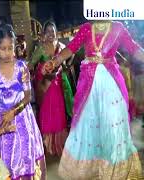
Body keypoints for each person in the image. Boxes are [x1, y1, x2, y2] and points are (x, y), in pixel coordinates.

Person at [43, 20, 144, 179]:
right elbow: (71, 47)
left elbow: (133, 48)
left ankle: (114, 171)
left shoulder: (117, 28)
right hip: (88, 88)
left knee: (113, 127)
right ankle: (93, 168)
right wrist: (55, 61)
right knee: (89, 126)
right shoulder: (86, 28)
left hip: (112, 86)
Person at [0, 23, 46, 179]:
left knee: (25, 153)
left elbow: (27, 96)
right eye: (3, 49)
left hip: (21, 117)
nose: (7, 53)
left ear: (15, 46)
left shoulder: (21, 67)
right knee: (5, 157)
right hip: (2, 117)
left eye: (10, 48)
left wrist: (13, 112)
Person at [28, 21, 72, 156]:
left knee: (59, 113)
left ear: (56, 32)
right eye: (48, 32)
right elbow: (31, 65)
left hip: (59, 85)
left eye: (52, 31)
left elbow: (67, 64)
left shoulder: (62, 47)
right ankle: (48, 144)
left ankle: (59, 142)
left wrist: (65, 65)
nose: (50, 34)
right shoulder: (40, 49)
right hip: (44, 87)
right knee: (47, 113)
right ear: (43, 34)